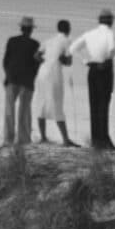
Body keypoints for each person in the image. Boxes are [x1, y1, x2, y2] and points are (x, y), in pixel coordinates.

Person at [69, 8, 115, 150]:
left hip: (92, 70)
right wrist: (106, 59)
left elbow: (73, 48)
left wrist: (85, 60)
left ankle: (96, 139)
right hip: (105, 69)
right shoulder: (110, 33)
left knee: (94, 104)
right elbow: (112, 49)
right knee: (104, 103)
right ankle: (104, 138)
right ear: (109, 21)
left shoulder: (89, 34)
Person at [35, 19, 78, 147]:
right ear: (68, 29)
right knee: (57, 103)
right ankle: (65, 139)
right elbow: (68, 62)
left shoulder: (49, 40)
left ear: (58, 29)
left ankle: (43, 137)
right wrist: (61, 59)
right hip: (54, 73)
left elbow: (36, 56)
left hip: (42, 72)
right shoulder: (67, 41)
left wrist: (46, 60)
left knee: (41, 103)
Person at [2, 16, 41, 146]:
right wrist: (33, 78)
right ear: (31, 30)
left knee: (9, 109)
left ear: (21, 28)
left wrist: (7, 76)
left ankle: (8, 139)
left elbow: (6, 61)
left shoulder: (12, 41)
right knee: (24, 110)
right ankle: (23, 139)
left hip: (12, 77)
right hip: (27, 80)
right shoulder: (35, 44)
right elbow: (36, 64)